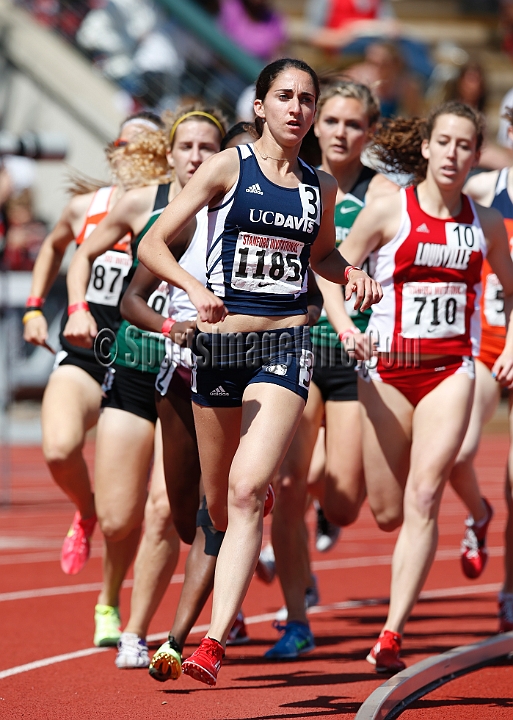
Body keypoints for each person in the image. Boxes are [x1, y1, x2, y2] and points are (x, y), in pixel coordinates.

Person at [138, 57, 381, 686]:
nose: (298, 109)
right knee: (217, 505)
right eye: (286, 97)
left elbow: (322, 255)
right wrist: (193, 288)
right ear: (260, 105)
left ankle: (213, 642)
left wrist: (348, 273)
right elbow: (153, 244)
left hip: (282, 347)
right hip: (218, 350)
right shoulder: (228, 168)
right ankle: (244, 511)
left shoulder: (319, 188)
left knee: (247, 492)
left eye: (307, 98)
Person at [338, 101, 513, 673]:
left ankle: (392, 633)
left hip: (449, 371)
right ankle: (481, 512)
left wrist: (510, 344)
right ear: (427, 147)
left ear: (476, 154)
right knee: (386, 511)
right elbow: (328, 270)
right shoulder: (389, 210)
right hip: (387, 369)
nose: (454, 154)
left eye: (466, 145)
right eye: (445, 142)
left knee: (424, 495)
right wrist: (349, 315)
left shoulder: (483, 223)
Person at [62, 105, 226, 655]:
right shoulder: (146, 205)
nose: (196, 158)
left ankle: (139, 630)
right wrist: (74, 306)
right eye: (187, 148)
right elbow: (81, 254)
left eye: (208, 148)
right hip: (134, 363)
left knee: (166, 510)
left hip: (206, 373)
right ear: (171, 153)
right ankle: (109, 592)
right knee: (119, 516)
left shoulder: (233, 210)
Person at [265, 80, 399, 659]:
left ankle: (324, 504)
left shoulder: (383, 193)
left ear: (369, 134)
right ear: (316, 125)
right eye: (333, 121)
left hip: (352, 354)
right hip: (296, 344)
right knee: (289, 485)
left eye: (355, 124)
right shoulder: (292, 180)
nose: (341, 132)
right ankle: (297, 617)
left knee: (344, 503)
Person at [22, 112, 166, 576]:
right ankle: (83, 510)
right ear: (114, 151)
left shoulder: (173, 210)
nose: (135, 154)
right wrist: (34, 306)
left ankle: (109, 602)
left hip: (143, 359)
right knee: (60, 449)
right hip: (86, 350)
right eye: (127, 144)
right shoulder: (87, 206)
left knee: (126, 508)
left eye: (148, 146)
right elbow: (54, 246)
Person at [453, 104, 513, 628]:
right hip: (490, 341)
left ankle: (510, 591)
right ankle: (479, 513)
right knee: (458, 450)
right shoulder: (486, 188)